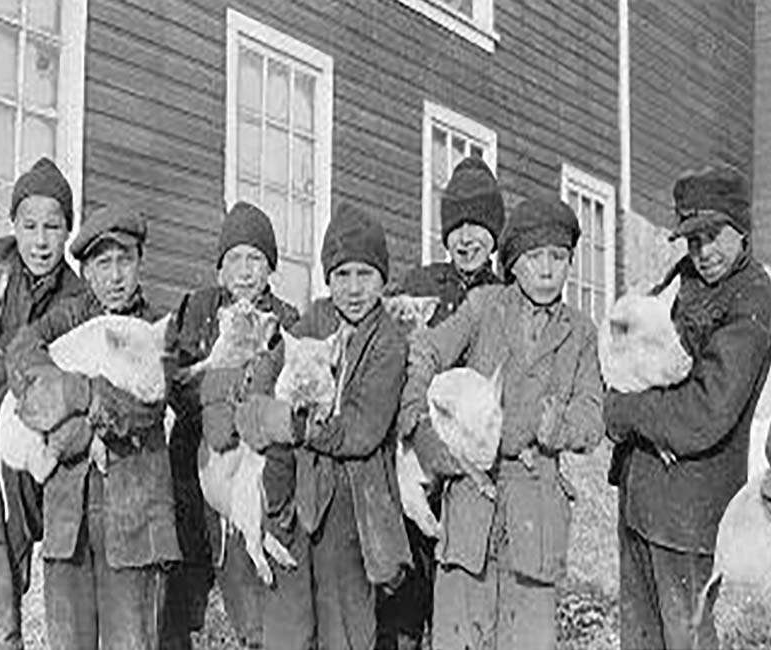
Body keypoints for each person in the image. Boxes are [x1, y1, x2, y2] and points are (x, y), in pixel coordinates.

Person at [399, 195, 604, 650]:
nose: (548, 270)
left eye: (559, 258)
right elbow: (426, 351)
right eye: (535, 258)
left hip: (536, 506)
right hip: (471, 496)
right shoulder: (484, 306)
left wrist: (560, 427)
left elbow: (593, 416)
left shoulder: (581, 332)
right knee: (458, 635)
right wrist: (419, 423)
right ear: (512, 263)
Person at [605, 165, 771, 650]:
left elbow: (707, 410)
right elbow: (630, 345)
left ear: (743, 229)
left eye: (713, 236)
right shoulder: (684, 279)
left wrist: (624, 412)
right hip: (641, 493)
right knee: (639, 638)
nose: (703, 252)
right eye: (692, 240)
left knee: (686, 638)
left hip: (689, 511)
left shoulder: (752, 300)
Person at [5, 205, 180, 649]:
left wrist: (81, 395)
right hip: (68, 523)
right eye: (103, 264)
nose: (116, 276)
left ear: (140, 263)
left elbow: (146, 406)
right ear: (86, 272)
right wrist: (58, 387)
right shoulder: (68, 316)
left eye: (125, 261)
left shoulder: (155, 331)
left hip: (136, 525)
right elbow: (22, 349)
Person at [256, 202, 412, 649]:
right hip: (295, 493)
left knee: (344, 627)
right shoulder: (315, 322)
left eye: (365, 275)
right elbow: (268, 377)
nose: (354, 289)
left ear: (383, 280)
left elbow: (362, 430)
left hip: (353, 502)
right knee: (289, 628)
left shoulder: (388, 344)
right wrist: (258, 409)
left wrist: (295, 427)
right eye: (342, 275)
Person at [161, 201, 299, 649]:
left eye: (255, 259)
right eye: (235, 260)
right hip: (197, 463)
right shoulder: (199, 309)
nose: (244, 271)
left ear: (270, 268)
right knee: (188, 595)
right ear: (220, 270)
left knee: (252, 593)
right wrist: (214, 382)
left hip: (253, 466)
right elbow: (176, 386)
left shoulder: (285, 320)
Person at [379, 155, 504, 650]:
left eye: (478, 225)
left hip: (475, 475)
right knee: (401, 612)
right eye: (456, 227)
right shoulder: (418, 288)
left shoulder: (507, 297)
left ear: (495, 232)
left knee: (463, 614)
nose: (466, 238)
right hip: (414, 463)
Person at [0, 157, 86, 649]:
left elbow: (42, 373)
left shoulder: (77, 297)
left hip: (23, 439)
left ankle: (2, 629)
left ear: (67, 232)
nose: (40, 241)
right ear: (12, 224)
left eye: (53, 228)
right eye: (30, 226)